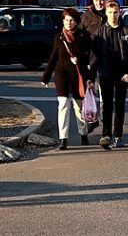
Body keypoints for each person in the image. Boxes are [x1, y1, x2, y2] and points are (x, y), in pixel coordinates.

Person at [90, 0, 128, 150]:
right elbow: (94, 57)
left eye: (116, 12)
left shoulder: (127, 31)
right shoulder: (100, 33)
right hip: (105, 74)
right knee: (106, 105)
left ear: (120, 13)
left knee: (119, 105)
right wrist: (91, 78)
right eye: (110, 12)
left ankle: (118, 135)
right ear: (106, 13)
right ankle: (106, 135)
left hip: (122, 75)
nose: (113, 15)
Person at [41, 8, 94, 150]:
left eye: (71, 20)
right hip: (62, 74)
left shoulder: (84, 36)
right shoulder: (58, 37)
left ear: (76, 21)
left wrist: (81, 60)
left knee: (78, 107)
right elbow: (53, 58)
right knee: (63, 105)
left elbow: (90, 56)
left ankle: (83, 133)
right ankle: (63, 138)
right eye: (65, 20)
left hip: (79, 75)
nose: (68, 23)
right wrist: (46, 77)